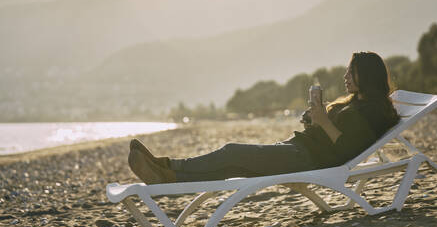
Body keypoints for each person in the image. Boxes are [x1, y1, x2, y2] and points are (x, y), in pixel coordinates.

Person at [128, 51, 400, 184]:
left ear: (367, 75)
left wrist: (323, 120)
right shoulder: (356, 103)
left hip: (309, 159)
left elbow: (346, 149)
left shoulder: (372, 112)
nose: (345, 77)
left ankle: (167, 166)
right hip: (301, 149)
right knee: (235, 168)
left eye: (351, 72)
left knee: (231, 152)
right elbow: (330, 133)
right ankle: (166, 173)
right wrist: (314, 118)